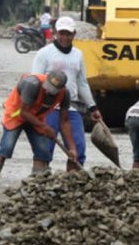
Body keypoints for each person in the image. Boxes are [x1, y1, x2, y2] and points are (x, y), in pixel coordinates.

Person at [0, 71, 76, 196]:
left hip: (37, 117)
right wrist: (44, 127)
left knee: (43, 152)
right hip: (16, 114)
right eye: (48, 88)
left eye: (53, 90)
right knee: (6, 147)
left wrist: (72, 148)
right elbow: (24, 112)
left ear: (61, 89)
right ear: (46, 80)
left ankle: (35, 189)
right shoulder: (32, 84)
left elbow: (64, 121)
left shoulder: (64, 94)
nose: (48, 92)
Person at [30, 16, 101, 172]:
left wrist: (92, 107)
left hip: (72, 107)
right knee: (45, 147)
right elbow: (35, 80)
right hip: (49, 108)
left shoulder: (78, 55)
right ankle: (39, 182)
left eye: (68, 34)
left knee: (78, 148)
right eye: (61, 33)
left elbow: (82, 83)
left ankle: (72, 183)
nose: (64, 37)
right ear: (55, 33)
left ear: (74, 34)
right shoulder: (45, 53)